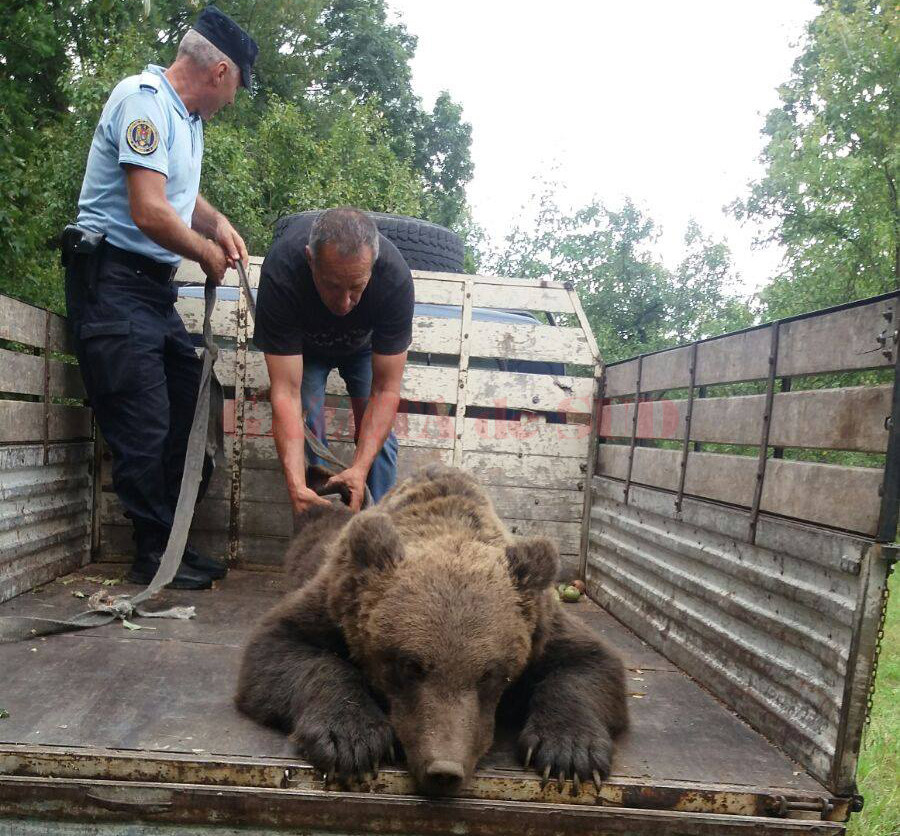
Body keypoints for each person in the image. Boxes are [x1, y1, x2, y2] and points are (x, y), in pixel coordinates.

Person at [62, 7, 258, 590]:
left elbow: (177, 193)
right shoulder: (142, 101)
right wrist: (203, 252)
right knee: (145, 425)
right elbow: (148, 211)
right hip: (112, 285)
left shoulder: (185, 120)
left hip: (149, 295)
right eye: (238, 87)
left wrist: (216, 222)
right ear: (220, 71)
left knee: (189, 413)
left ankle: (170, 544)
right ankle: (152, 555)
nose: (234, 99)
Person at [253, 208, 414, 513]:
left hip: (364, 349)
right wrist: (295, 486)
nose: (343, 303)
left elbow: (386, 391)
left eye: (356, 287)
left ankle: (374, 530)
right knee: (309, 426)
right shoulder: (282, 270)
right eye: (331, 285)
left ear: (373, 267)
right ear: (310, 259)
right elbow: (285, 393)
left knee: (379, 441)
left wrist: (360, 467)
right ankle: (317, 522)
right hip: (304, 349)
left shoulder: (394, 279)